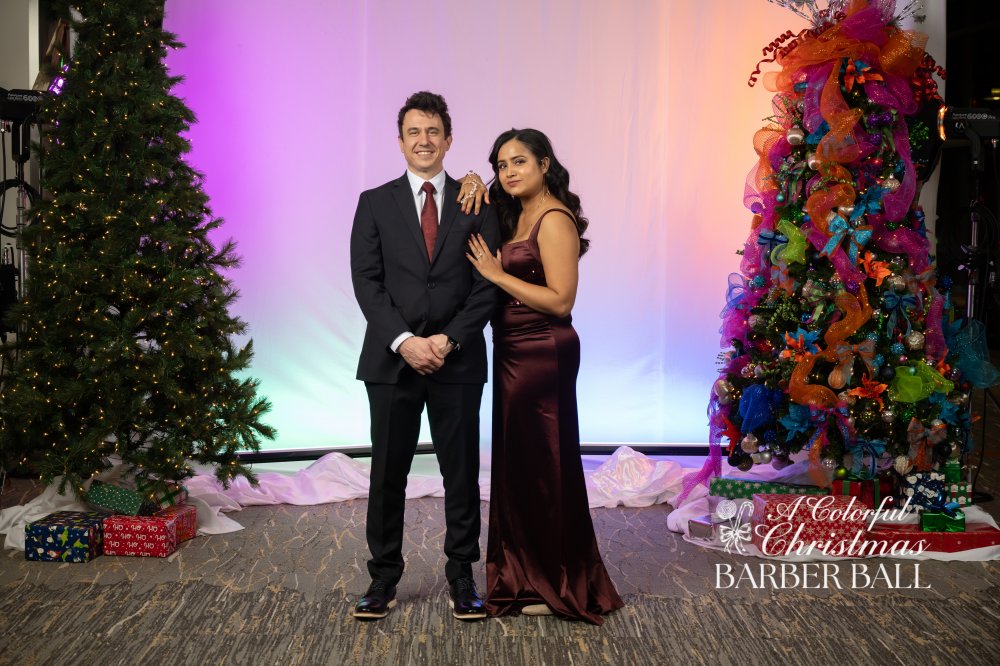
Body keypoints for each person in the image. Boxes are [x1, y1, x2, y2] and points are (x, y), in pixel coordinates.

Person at [350, 91, 498, 621]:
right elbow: (366, 282)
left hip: (457, 361)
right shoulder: (374, 202)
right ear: (400, 141)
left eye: (433, 131)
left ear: (449, 139)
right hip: (392, 362)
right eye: (414, 132)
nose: (424, 140)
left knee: (461, 473)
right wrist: (405, 341)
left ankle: (462, 575)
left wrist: (448, 340)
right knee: (387, 473)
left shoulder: (476, 201)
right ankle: (383, 578)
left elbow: (488, 284)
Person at [466, 128, 624, 625]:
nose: (508, 172)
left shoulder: (554, 219)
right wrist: (471, 179)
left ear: (544, 164)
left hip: (543, 352)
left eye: (519, 161)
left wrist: (497, 275)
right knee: (519, 467)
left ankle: (558, 580)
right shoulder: (514, 211)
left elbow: (560, 300)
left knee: (545, 467)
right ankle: (524, 575)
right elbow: (473, 195)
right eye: (500, 165)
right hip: (511, 348)